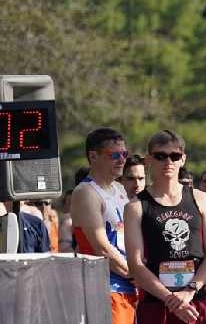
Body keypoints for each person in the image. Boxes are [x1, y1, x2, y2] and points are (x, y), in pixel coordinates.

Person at [124, 130, 206, 323]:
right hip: (156, 305)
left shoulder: (200, 199)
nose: (168, 162)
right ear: (149, 160)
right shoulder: (135, 206)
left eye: (174, 156)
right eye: (161, 156)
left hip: (195, 301)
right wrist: (171, 299)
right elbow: (135, 265)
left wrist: (189, 291)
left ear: (183, 159)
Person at [71, 127, 137, 324]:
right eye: (114, 155)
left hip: (129, 285)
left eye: (124, 154)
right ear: (93, 156)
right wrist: (136, 274)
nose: (122, 160)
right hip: (106, 288)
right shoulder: (86, 192)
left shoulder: (119, 188)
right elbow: (101, 248)